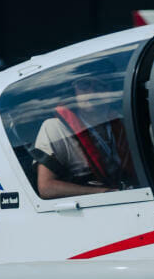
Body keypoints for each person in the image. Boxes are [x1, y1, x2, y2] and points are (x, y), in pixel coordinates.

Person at [33, 70, 135, 199]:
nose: (92, 92)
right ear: (74, 91)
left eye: (100, 86)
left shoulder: (126, 122)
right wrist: (106, 193)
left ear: (111, 91)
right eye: (84, 86)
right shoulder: (55, 127)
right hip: (90, 207)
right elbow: (46, 188)